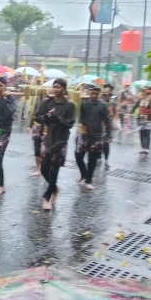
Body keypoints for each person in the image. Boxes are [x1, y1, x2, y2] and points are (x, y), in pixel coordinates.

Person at [34, 79, 75, 210]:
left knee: (54, 170)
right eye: (54, 87)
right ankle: (55, 188)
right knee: (44, 169)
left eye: (58, 87)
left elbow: (69, 124)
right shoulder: (47, 102)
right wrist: (47, 116)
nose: (55, 89)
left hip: (61, 141)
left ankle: (46, 197)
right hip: (47, 139)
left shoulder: (70, 105)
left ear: (64, 89)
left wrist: (56, 117)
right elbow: (36, 117)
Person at [75, 85, 110, 190]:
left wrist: (108, 134)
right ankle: (83, 173)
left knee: (92, 159)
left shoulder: (103, 105)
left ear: (99, 94)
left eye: (96, 93)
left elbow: (107, 121)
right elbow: (77, 111)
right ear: (89, 93)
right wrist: (79, 99)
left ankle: (89, 180)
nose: (94, 95)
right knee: (78, 156)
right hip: (84, 134)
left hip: (96, 136)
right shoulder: (84, 103)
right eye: (92, 93)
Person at [132, 85, 151, 154]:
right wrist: (131, 112)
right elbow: (135, 106)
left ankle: (147, 148)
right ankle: (142, 147)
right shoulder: (140, 99)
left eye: (143, 92)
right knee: (141, 133)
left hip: (148, 119)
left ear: (147, 93)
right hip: (140, 118)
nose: (142, 93)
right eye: (142, 91)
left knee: (147, 133)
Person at [28, 92, 46, 176]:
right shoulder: (36, 100)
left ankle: (44, 167)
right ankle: (38, 168)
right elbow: (33, 114)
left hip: (46, 129)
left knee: (44, 149)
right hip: (36, 128)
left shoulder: (52, 102)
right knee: (37, 148)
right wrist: (29, 125)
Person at [101, 84, 116, 168]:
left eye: (108, 94)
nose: (106, 96)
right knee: (98, 145)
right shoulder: (99, 102)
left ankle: (106, 160)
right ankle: (98, 159)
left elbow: (112, 115)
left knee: (106, 145)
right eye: (105, 94)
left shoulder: (112, 103)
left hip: (107, 128)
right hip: (99, 127)